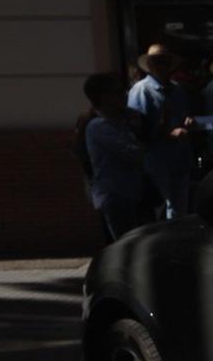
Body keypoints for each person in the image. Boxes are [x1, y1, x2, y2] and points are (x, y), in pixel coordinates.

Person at [79, 72, 157, 240]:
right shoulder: (98, 126)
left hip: (131, 192)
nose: (124, 95)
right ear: (103, 97)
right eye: (118, 92)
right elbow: (134, 154)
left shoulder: (120, 122)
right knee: (127, 245)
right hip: (116, 196)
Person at [126, 43, 197, 218]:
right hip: (156, 161)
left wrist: (188, 123)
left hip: (180, 158)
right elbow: (137, 130)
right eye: (158, 61)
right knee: (160, 209)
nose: (162, 65)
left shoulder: (177, 90)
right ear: (150, 65)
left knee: (179, 209)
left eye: (165, 61)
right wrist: (168, 134)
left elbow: (183, 117)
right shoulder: (141, 91)